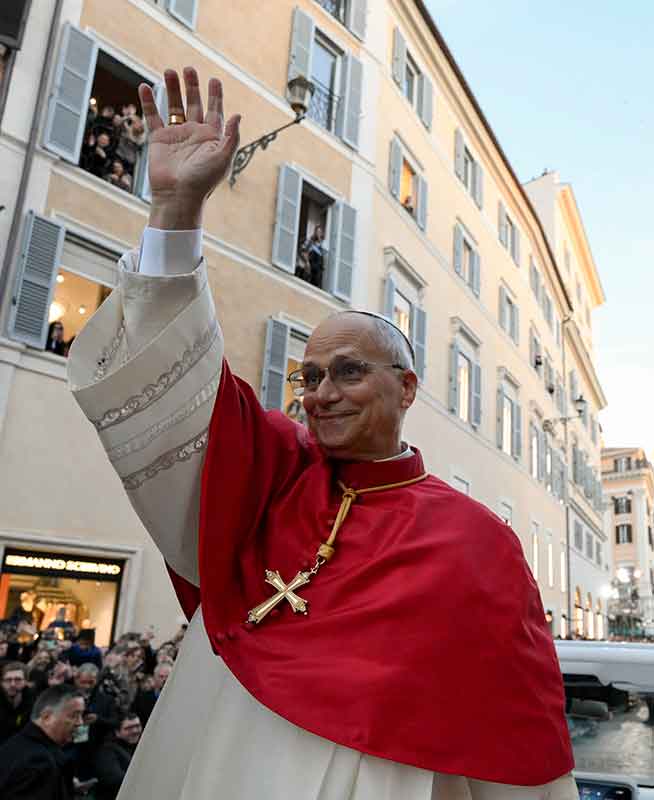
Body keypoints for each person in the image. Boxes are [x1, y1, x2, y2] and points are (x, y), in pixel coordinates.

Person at [67, 68, 577, 798]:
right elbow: (186, 391)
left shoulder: (479, 543)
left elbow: (513, 739)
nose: (321, 394)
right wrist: (177, 212)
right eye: (308, 377)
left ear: (407, 388)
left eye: (347, 372)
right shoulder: (273, 474)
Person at [0, 684, 85, 800]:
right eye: (74, 715)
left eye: (81, 715)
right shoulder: (38, 762)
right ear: (46, 717)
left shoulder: (15, 743)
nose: (80, 723)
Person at [92, 712, 142, 800]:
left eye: (137, 726)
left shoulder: (141, 745)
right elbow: (115, 779)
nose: (135, 731)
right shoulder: (107, 750)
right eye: (129, 728)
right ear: (117, 732)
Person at [0, 662, 34, 744]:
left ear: (26, 681)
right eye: (8, 680)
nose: (12, 684)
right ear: (1, 683)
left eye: (18, 679)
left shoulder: (33, 701)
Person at [130, 662, 171, 727]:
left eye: (168, 677)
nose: (165, 680)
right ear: (154, 678)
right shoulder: (142, 698)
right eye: (161, 676)